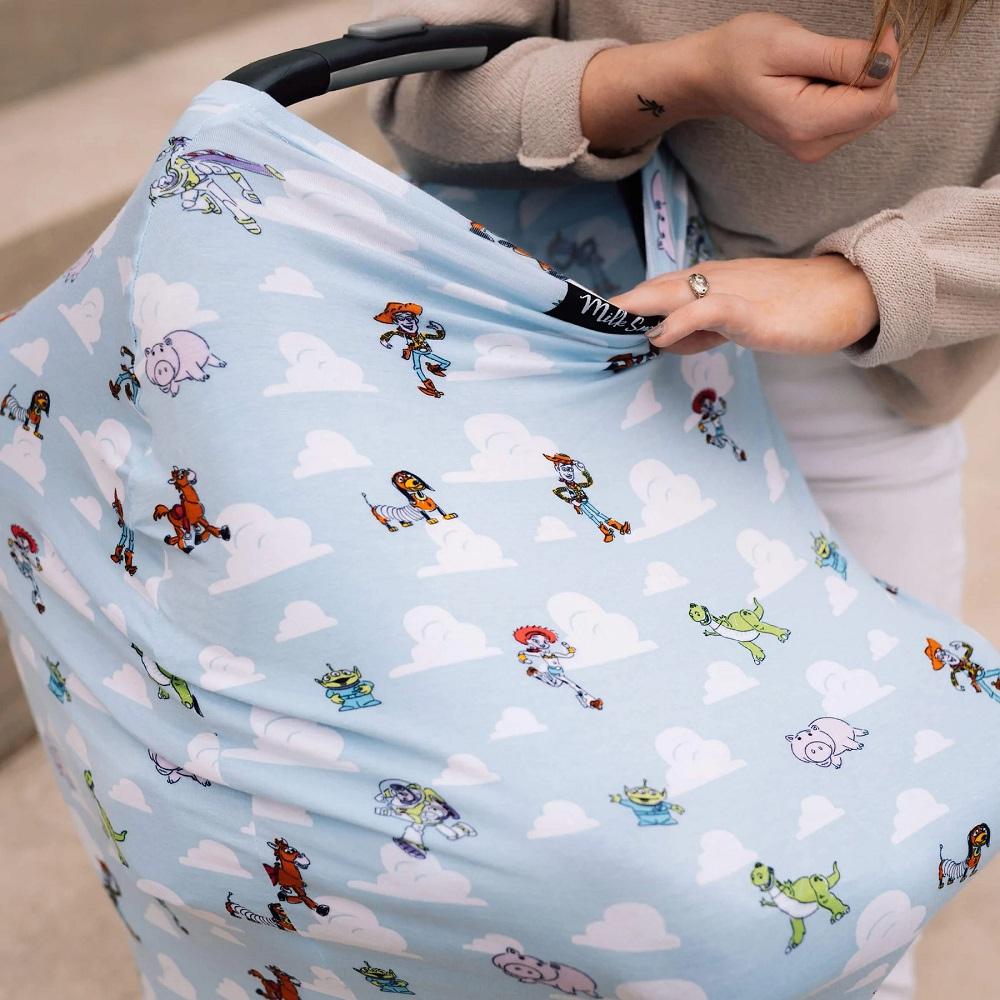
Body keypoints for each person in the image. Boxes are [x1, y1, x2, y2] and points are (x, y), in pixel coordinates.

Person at [369, 2, 998, 995]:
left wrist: (868, 283)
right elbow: (414, 87)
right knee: (525, 861)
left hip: (866, 395)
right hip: (554, 380)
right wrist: (681, 76)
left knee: (852, 891)